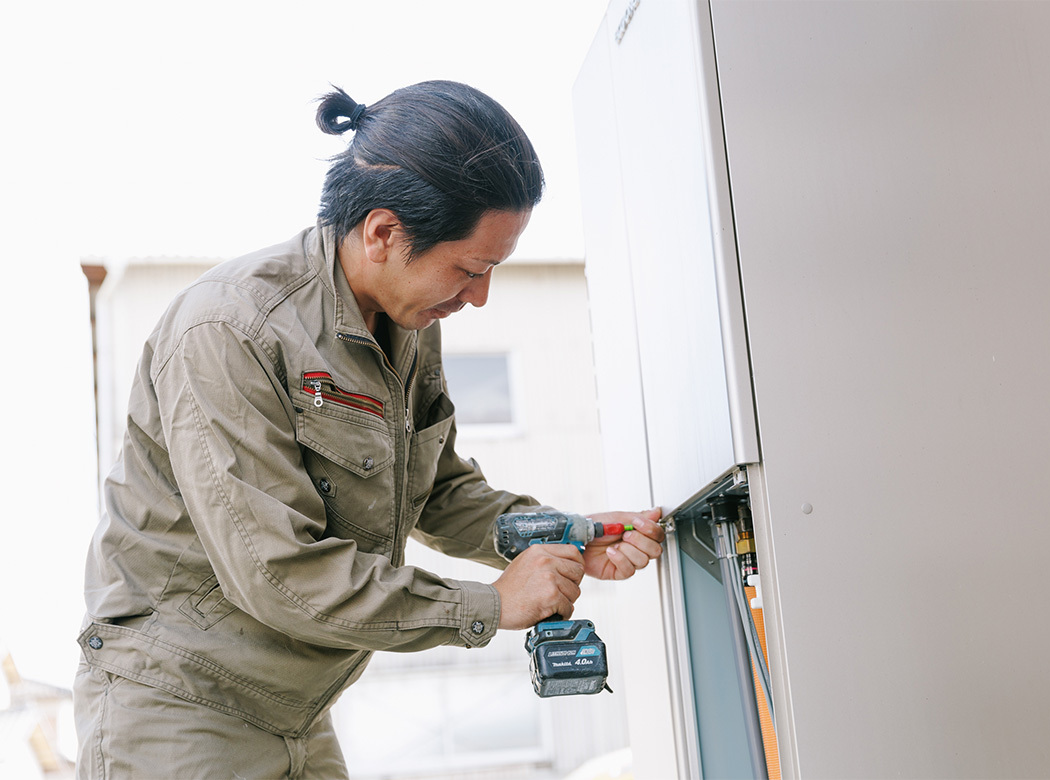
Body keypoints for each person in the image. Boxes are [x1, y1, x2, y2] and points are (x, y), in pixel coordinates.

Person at [73, 80, 664, 779]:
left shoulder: (406, 322)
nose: (478, 296)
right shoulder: (230, 329)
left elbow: (437, 492)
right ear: (383, 232)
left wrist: (569, 534)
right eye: (471, 269)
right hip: (183, 713)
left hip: (299, 711)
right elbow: (276, 572)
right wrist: (490, 604)